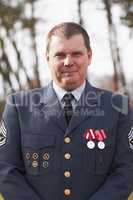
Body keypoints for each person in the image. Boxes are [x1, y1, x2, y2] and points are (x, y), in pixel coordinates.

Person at [0, 22, 133, 200]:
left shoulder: (118, 107)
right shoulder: (18, 107)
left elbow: (126, 170)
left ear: (89, 56)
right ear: (47, 58)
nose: (68, 62)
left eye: (76, 54)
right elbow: (5, 170)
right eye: (60, 55)